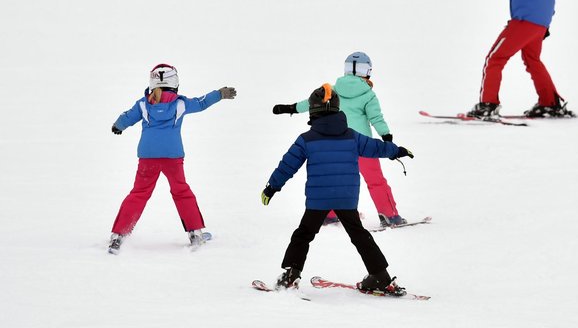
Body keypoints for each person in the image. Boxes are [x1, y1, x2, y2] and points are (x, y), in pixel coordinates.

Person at [261, 84, 414, 295]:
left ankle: (291, 275)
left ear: (313, 110)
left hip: (318, 199)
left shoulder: (306, 139)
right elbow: (376, 147)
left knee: (303, 235)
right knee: (360, 236)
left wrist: (271, 187)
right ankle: (381, 277)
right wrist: (397, 150)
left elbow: (287, 166)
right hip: (346, 198)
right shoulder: (352, 136)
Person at [107, 64, 237, 254]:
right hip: (172, 156)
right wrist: (219, 93)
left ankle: (118, 235)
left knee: (139, 193)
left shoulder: (143, 104)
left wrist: (118, 125)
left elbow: (127, 117)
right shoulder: (180, 103)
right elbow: (201, 103)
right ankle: (195, 233)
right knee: (181, 192)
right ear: (175, 82)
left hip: (147, 156)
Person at [272, 52, 407, 228]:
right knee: (376, 182)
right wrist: (387, 139)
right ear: (367, 71)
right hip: (364, 146)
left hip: (338, 145)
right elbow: (377, 119)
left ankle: (330, 214)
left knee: (337, 179)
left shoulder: (332, 90)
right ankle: (389, 215)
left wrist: (289, 108)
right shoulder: (368, 95)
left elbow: (310, 102)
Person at [467, 0, 573, 119]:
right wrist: (545, 27)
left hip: (523, 23)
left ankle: (488, 105)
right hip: (539, 27)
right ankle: (550, 103)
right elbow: (548, 0)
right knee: (533, 61)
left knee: (495, 59)